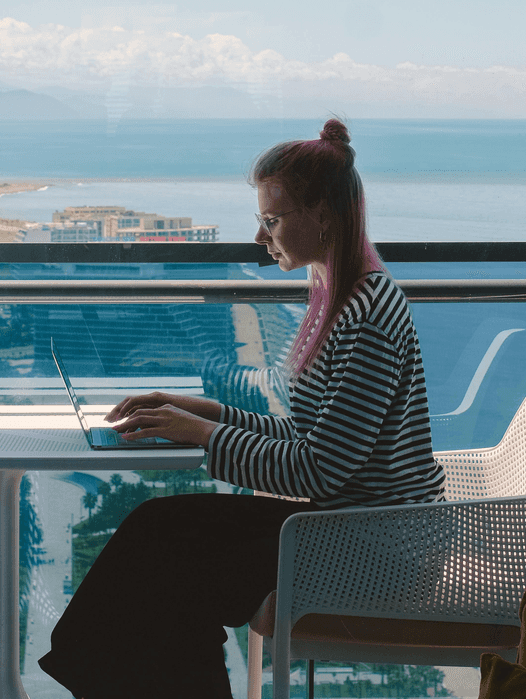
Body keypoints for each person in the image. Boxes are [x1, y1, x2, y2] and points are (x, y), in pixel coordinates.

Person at [38, 118, 447, 698]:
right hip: (345, 520)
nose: (260, 236)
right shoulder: (341, 295)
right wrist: (202, 412)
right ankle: (86, 664)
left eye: (272, 220)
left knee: (173, 573)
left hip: (373, 545)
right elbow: (311, 437)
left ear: (324, 216)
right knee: (155, 531)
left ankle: (85, 665)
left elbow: (317, 469)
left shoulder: (366, 317)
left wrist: (203, 434)